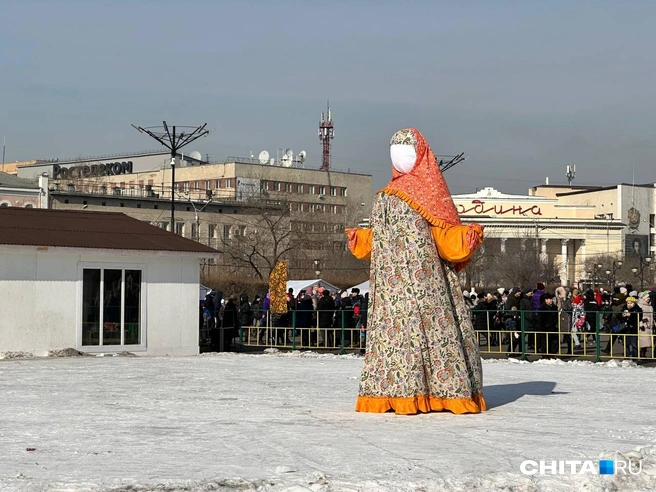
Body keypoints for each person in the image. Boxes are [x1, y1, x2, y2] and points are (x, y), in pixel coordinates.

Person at [346, 127, 486, 415]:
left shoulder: (404, 196)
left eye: (406, 152)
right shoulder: (400, 196)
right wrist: (361, 239)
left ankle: (407, 392)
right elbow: (440, 241)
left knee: (404, 336)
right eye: (394, 152)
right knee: (421, 335)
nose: (398, 157)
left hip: (408, 289)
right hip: (411, 289)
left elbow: (442, 238)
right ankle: (425, 391)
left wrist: (465, 238)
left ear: (420, 157)